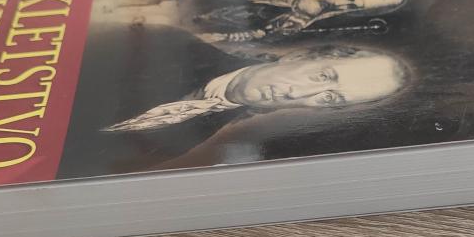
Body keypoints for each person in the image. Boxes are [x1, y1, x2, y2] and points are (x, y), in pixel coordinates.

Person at [58, 22, 411, 177]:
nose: (300, 93)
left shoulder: (196, 137)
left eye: (330, 98)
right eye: (322, 76)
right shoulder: (167, 44)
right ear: (302, 56)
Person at [194, 0, 406, 42]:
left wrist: (223, 38)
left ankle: (206, 18)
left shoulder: (303, 19)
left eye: (351, 6)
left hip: (232, 21)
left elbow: (259, 34)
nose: (342, 3)